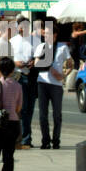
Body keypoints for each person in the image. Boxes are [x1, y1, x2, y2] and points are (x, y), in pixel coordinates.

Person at [35, 21, 69, 150]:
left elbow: (70, 63)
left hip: (56, 84)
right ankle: (45, 140)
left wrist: (64, 75)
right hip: (42, 83)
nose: (46, 35)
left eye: (49, 33)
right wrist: (50, 67)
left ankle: (56, 140)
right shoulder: (41, 47)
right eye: (45, 33)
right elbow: (37, 63)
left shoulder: (62, 47)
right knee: (43, 115)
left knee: (57, 115)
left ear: (55, 35)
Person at [10, 13, 37, 148]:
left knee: (30, 108)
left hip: (31, 76)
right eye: (21, 27)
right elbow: (8, 59)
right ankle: (24, 138)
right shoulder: (13, 41)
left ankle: (26, 137)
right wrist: (16, 63)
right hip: (18, 76)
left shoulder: (34, 40)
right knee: (22, 108)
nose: (23, 29)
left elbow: (40, 56)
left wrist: (34, 62)